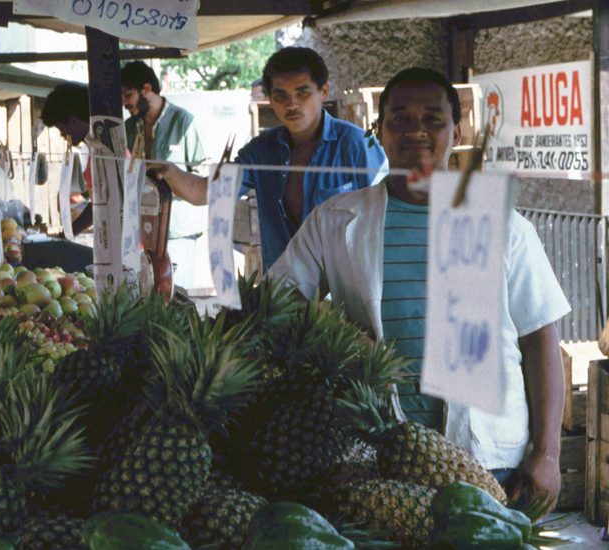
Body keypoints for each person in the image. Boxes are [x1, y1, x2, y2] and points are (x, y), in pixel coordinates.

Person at [268, 67, 569, 512]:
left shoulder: (504, 225)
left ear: (457, 130)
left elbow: (540, 338)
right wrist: (334, 338)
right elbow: (279, 302)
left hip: (487, 460)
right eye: (399, 119)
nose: (416, 132)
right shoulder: (336, 219)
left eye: (433, 119)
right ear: (379, 130)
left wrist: (547, 455)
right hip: (377, 459)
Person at [153, 47, 387, 271]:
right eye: (280, 95)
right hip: (283, 292)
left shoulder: (356, 145)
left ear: (323, 91)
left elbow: (387, 217)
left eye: (302, 92)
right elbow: (206, 191)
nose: (291, 103)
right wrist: (171, 172)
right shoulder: (262, 151)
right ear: (270, 99)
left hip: (344, 294)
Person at [121, 61, 209, 292]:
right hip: (142, 230)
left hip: (178, 232)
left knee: (175, 298)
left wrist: (172, 178)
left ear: (147, 89)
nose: (124, 103)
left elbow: (201, 176)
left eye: (128, 95)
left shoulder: (183, 122)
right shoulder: (129, 128)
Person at [40, 82, 95, 235]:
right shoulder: (93, 149)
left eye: (61, 129)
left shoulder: (103, 151)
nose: (63, 136)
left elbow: (98, 207)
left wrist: (66, 235)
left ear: (73, 122)